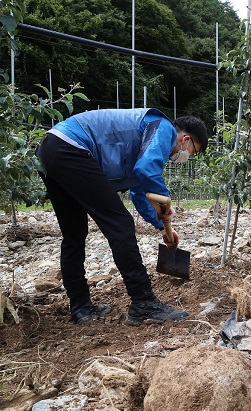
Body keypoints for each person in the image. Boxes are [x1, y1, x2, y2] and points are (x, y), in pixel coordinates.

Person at [36, 108, 208, 325]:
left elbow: (138, 189)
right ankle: (143, 303)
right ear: (185, 139)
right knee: (121, 224)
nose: (186, 156)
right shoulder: (163, 127)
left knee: (74, 233)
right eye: (192, 151)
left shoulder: (146, 141)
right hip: (72, 147)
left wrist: (160, 224)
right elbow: (146, 170)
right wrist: (165, 203)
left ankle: (81, 307)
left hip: (50, 150)